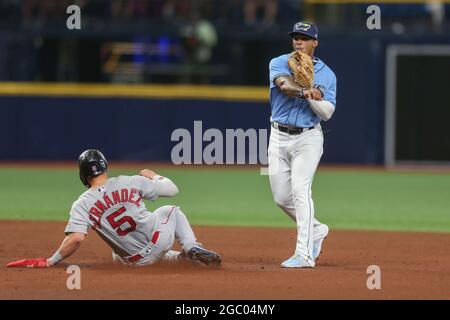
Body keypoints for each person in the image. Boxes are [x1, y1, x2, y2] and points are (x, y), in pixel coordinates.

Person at [7, 149, 221, 268]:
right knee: (170, 210)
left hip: (136, 262)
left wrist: (51, 261)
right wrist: (155, 176)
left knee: (116, 254)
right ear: (105, 166)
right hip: (159, 240)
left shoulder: (82, 203)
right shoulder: (130, 181)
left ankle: (181, 260)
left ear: (83, 175)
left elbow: (76, 238)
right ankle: (191, 247)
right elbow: (172, 189)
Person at [268, 21, 337, 268]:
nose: (298, 41)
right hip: (277, 137)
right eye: (296, 36)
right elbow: (284, 85)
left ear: (315, 42)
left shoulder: (328, 74)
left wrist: (312, 94)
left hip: (308, 137)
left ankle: (304, 254)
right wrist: (306, 91)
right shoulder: (278, 62)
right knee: (281, 197)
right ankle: (317, 230)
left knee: (300, 191)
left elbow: (327, 112)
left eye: (304, 37)